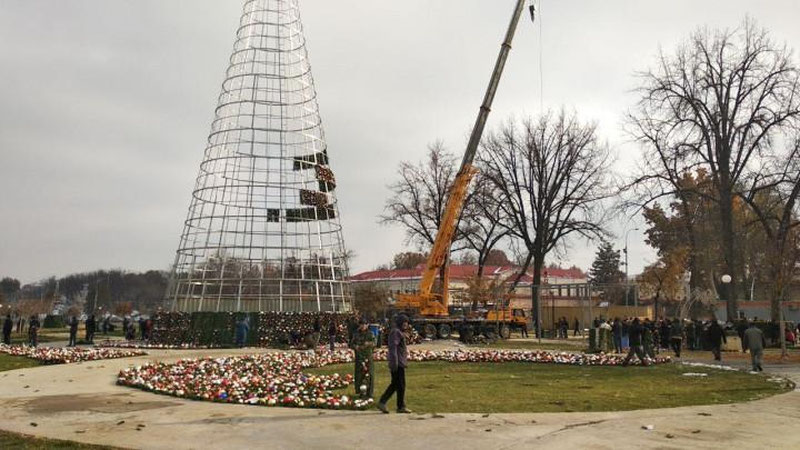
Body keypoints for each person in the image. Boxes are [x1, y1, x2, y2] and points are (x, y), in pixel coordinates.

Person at [377, 315, 411, 414]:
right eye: (404, 322)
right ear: (400, 322)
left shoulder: (399, 332)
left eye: (407, 322)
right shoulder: (396, 332)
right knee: (398, 384)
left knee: (398, 385)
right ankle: (385, 402)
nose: (406, 324)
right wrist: (395, 363)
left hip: (400, 362)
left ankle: (398, 405)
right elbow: (393, 348)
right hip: (397, 363)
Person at [351, 318, 376, 399]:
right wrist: (355, 346)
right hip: (359, 357)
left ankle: (370, 392)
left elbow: (375, 343)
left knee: (370, 374)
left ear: (367, 325)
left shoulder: (370, 333)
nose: (363, 326)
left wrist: (368, 343)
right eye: (361, 324)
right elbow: (351, 343)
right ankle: (361, 392)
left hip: (368, 356)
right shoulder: (356, 334)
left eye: (364, 324)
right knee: (360, 375)